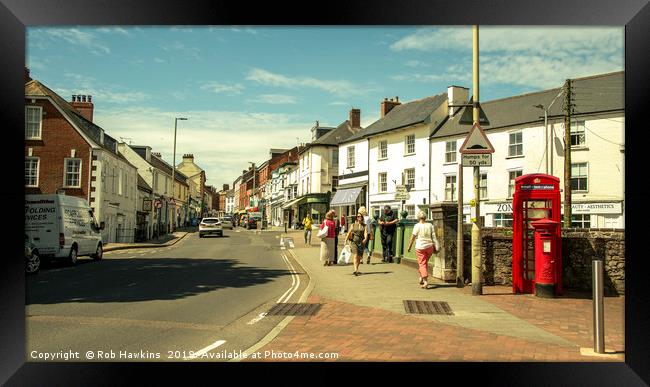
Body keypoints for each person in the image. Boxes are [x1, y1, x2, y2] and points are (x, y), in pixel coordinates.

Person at [407, 210, 440, 289]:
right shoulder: (430, 225)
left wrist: (409, 246)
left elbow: (413, 237)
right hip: (430, 247)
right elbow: (434, 236)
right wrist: (436, 245)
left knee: (422, 264)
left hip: (420, 247)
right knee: (424, 263)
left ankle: (425, 282)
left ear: (418, 218)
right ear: (425, 217)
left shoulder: (417, 226)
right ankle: (421, 277)